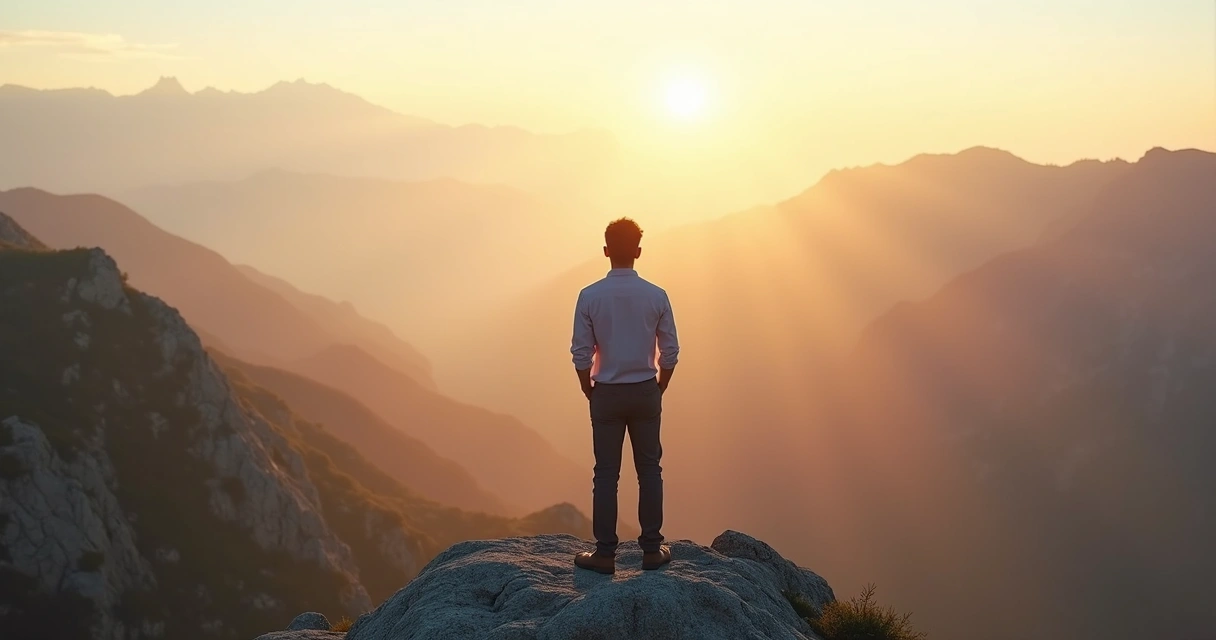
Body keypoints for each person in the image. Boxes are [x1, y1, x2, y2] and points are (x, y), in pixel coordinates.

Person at [570, 217, 680, 574]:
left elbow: (581, 353)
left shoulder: (589, 296)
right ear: (638, 252)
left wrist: (588, 388)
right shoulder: (656, 295)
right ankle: (652, 550)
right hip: (645, 389)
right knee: (649, 470)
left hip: (606, 393)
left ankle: (605, 555)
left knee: (605, 473)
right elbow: (671, 351)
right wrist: (660, 386)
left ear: (606, 251)